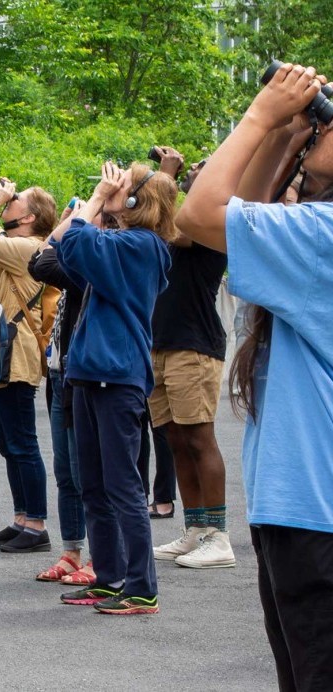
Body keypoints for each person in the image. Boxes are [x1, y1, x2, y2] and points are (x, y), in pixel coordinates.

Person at [175, 61, 333, 690]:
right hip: (302, 508)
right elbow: (237, 219)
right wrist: (283, 138)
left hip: (316, 514)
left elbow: (200, 216)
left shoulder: (323, 236)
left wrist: (260, 116)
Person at [50, 161, 175, 615]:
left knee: (122, 486)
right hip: (93, 372)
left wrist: (99, 199)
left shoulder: (142, 246)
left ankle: (141, 586)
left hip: (116, 374)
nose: (113, 188)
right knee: (95, 486)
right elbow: (59, 245)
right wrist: (98, 203)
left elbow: (77, 239)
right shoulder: (123, 245)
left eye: (125, 185)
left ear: (140, 200)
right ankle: (108, 576)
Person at [148, 147, 235, 569]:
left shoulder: (211, 220)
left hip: (194, 343)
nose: (191, 173)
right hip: (161, 341)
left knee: (200, 438)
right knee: (175, 439)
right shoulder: (181, 213)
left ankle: (220, 536)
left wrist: (165, 176)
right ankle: (196, 529)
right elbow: (150, 224)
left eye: (201, 171)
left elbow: (171, 228)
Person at [0, 179, 55, 554]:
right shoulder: (10, 250)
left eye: (14, 202)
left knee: (22, 443)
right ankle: (21, 517)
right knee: (8, 444)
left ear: (30, 217)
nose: (7, 204)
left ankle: (36, 524)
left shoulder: (30, 247)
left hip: (16, 357)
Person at [28, 204, 91, 583]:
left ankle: (101, 556)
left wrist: (83, 213)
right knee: (66, 471)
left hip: (82, 377)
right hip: (59, 375)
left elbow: (42, 262)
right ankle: (71, 551)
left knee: (88, 475)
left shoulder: (98, 259)